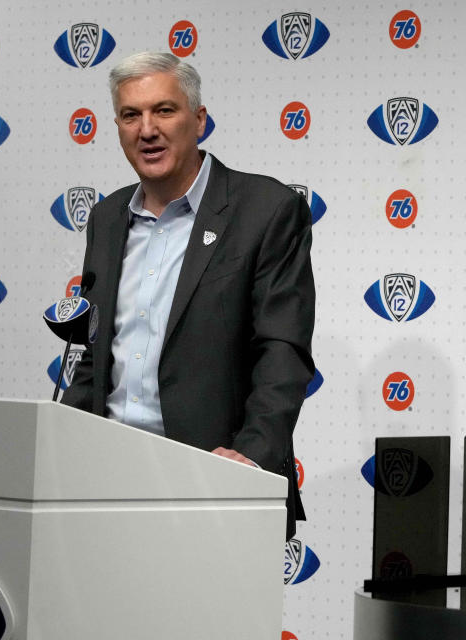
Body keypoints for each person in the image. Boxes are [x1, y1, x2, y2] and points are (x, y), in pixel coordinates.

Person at [61, 51, 314, 539]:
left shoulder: (266, 210)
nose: (147, 129)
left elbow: (282, 351)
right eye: (131, 115)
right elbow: (95, 356)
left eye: (164, 110)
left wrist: (251, 459)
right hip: (104, 485)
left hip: (215, 484)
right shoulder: (107, 218)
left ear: (199, 119)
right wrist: (56, 447)